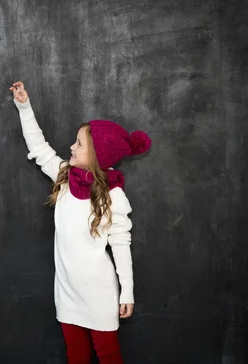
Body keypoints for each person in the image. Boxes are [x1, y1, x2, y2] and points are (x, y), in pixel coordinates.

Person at [9, 81, 151, 364]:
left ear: (98, 155)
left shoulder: (114, 196)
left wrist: (128, 291)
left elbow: (121, 245)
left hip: (99, 292)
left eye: (79, 144)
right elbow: (39, 148)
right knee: (76, 354)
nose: (70, 147)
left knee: (108, 354)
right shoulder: (63, 178)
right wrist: (24, 106)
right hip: (67, 289)